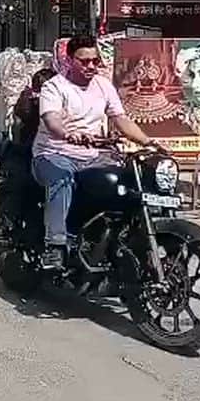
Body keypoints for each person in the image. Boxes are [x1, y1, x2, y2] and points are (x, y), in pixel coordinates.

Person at [33, 34, 160, 271]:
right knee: (62, 180)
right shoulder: (54, 87)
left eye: (95, 61)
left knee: (127, 180)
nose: (91, 66)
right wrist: (68, 134)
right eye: (84, 61)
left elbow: (120, 119)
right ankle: (55, 246)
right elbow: (52, 121)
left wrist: (148, 141)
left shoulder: (103, 85)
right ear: (70, 60)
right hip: (54, 153)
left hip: (94, 155)